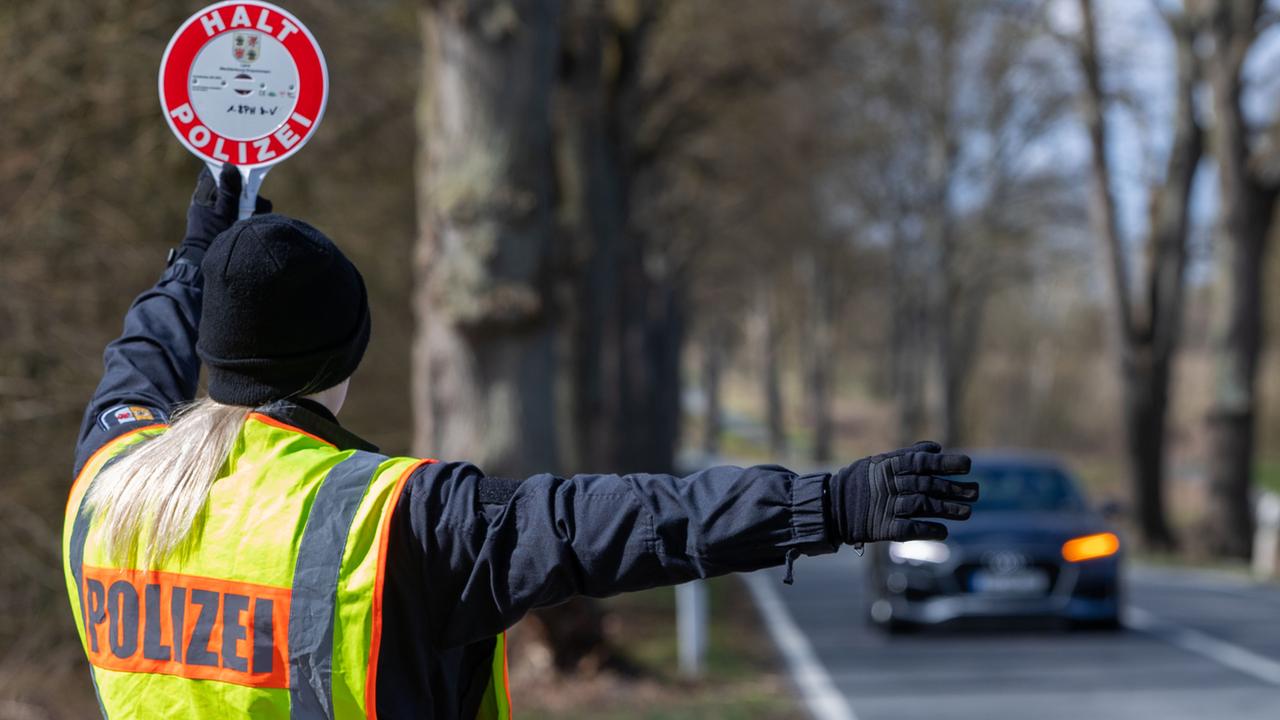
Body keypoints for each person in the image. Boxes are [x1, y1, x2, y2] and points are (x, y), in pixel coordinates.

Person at [62, 165, 978, 719]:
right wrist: (832, 504)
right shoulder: (392, 523)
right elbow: (630, 523)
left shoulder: (111, 481)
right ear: (350, 352)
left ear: (214, 352)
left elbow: (139, 360)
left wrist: (192, 262)